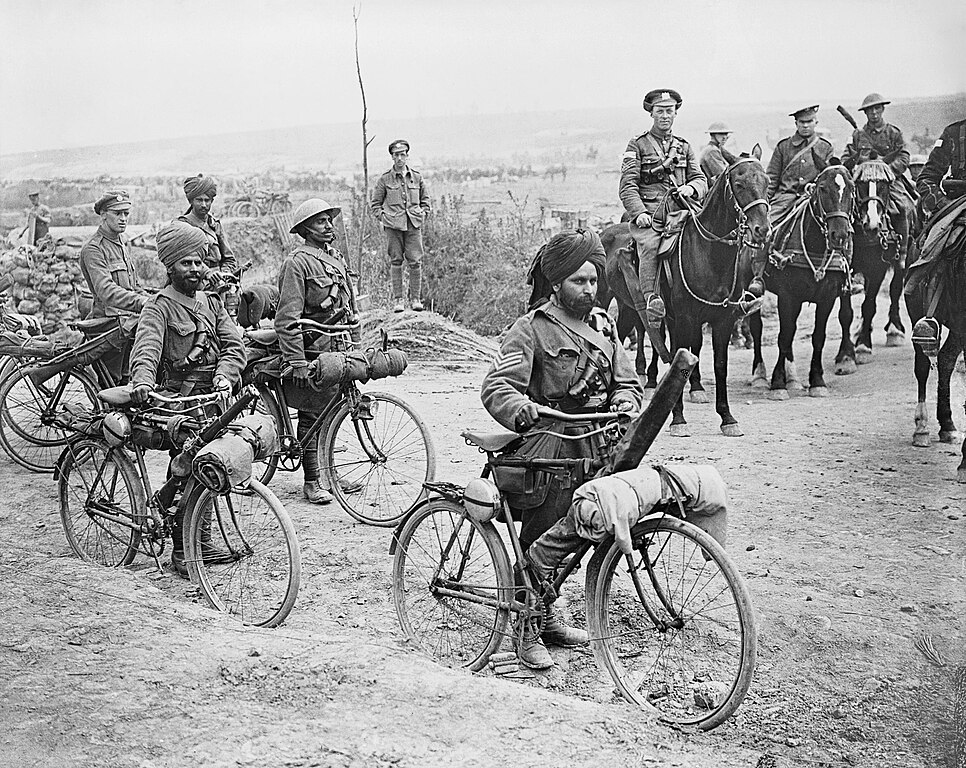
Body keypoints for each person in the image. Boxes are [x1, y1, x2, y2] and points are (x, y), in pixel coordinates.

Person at [481, 229, 644, 669]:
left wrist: (626, 399)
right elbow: (497, 386)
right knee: (542, 538)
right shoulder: (529, 328)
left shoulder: (604, 329)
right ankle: (525, 627)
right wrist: (522, 409)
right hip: (549, 447)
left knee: (583, 533)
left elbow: (627, 381)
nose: (590, 290)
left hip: (595, 444)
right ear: (557, 285)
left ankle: (546, 612)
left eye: (593, 282)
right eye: (579, 282)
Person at [129, 221, 247, 575]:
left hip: (212, 399)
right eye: (186, 263)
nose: (195, 270)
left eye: (199, 262)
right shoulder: (158, 308)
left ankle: (200, 538)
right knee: (192, 462)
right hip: (176, 401)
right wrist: (143, 383)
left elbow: (234, 345)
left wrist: (225, 374)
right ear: (170, 267)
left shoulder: (211, 304)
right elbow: (146, 350)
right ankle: (184, 550)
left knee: (213, 462)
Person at [275, 199, 358, 504]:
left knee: (335, 412)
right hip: (312, 349)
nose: (328, 225)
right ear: (305, 229)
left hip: (338, 346)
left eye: (328, 220)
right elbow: (287, 318)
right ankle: (312, 481)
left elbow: (350, 309)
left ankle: (330, 473)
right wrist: (296, 360)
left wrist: (356, 343)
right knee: (312, 414)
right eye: (320, 221)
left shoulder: (335, 259)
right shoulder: (297, 263)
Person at [618, 89, 708, 326]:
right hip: (652, 212)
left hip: (683, 209)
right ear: (652, 113)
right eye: (660, 111)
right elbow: (628, 186)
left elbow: (700, 179)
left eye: (669, 111)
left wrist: (691, 188)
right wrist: (640, 214)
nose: (665, 116)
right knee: (649, 244)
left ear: (676, 113)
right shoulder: (637, 145)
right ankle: (653, 301)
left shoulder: (684, 146)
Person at [906, 117, 966, 345]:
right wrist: (942, 206)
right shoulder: (954, 133)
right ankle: (929, 316)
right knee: (934, 246)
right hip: (958, 205)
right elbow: (927, 178)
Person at [79, 189, 149, 380]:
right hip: (109, 327)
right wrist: (141, 302)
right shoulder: (94, 249)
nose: (123, 218)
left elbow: (134, 286)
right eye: (117, 214)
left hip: (127, 322)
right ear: (103, 215)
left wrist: (154, 299)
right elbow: (106, 291)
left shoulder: (121, 243)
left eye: (126, 214)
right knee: (114, 386)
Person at [841, 93, 916, 261]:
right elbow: (846, 158)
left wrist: (886, 171)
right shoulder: (857, 135)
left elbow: (904, 157)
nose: (874, 113)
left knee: (903, 206)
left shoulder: (894, 133)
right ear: (865, 113)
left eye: (877, 109)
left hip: (888, 180)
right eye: (869, 110)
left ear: (882, 109)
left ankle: (902, 252)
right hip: (862, 181)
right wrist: (859, 169)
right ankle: (844, 251)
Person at [370, 139, 431, 313]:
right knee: (396, 261)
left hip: (413, 225)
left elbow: (426, 201)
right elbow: (375, 204)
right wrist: (384, 218)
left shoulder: (417, 178)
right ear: (392, 157)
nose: (399, 158)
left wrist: (423, 214)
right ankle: (399, 300)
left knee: (415, 262)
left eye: (402, 154)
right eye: (396, 155)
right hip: (393, 226)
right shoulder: (384, 180)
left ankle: (415, 300)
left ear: (407, 156)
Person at [765, 105, 834, 222]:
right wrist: (764, 202)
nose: (805, 125)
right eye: (802, 122)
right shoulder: (783, 146)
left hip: (813, 199)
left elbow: (829, 178)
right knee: (767, 230)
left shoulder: (825, 147)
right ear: (796, 124)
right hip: (784, 201)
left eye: (809, 121)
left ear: (816, 122)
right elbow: (772, 179)